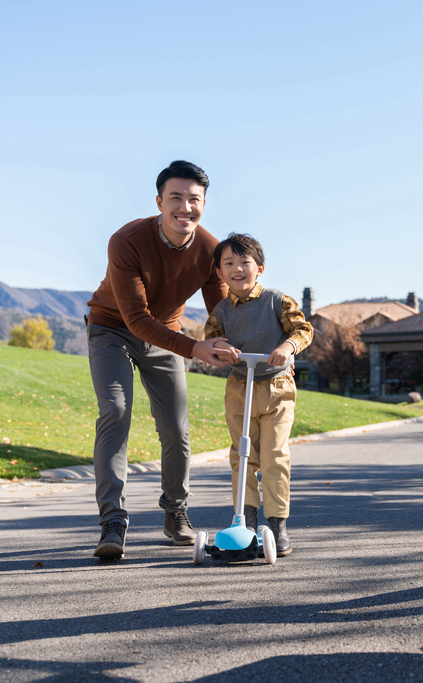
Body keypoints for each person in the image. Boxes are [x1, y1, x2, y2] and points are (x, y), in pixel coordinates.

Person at [86, 160, 236, 560]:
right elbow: (135, 318)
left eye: (194, 199)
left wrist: (270, 350)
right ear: (159, 201)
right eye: (175, 198)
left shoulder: (210, 249)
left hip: (165, 336)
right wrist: (194, 348)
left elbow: (224, 314)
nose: (185, 207)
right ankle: (112, 522)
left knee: (175, 428)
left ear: (204, 203)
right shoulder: (127, 241)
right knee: (115, 412)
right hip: (112, 330)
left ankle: (176, 512)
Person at [203, 233, 313, 557]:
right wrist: (222, 348)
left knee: (274, 455)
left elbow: (302, 329)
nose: (237, 269)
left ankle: (277, 523)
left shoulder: (278, 300)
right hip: (240, 387)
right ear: (220, 274)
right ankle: (245, 519)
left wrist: (286, 347)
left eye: (244, 262)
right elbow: (211, 339)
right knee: (241, 454)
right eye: (228, 264)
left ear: (260, 268)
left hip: (277, 387)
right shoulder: (220, 311)